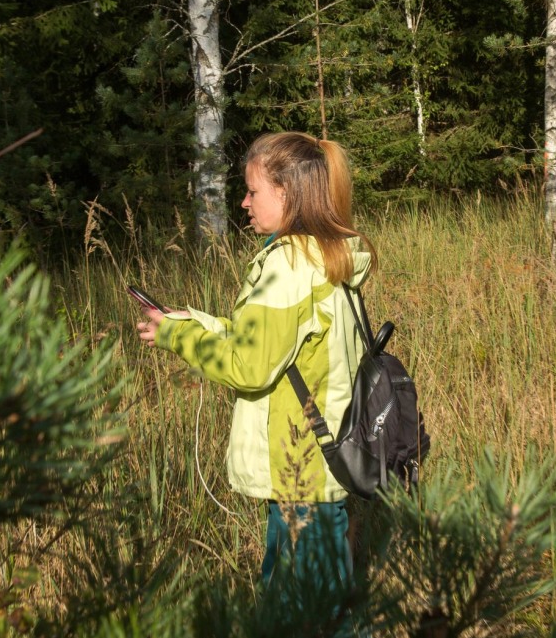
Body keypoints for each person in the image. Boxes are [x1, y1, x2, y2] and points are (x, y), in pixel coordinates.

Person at [136, 131, 376, 595]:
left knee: (303, 618)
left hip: (300, 473)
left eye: (252, 191)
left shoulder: (288, 265)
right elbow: (277, 349)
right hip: (319, 467)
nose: (244, 203)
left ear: (286, 193)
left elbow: (250, 365)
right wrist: (199, 322)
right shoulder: (322, 256)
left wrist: (176, 336)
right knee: (330, 608)